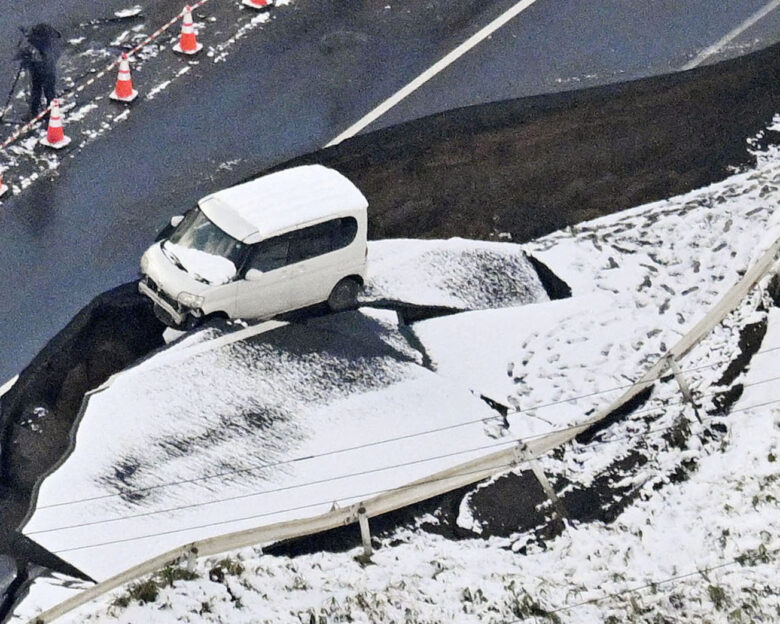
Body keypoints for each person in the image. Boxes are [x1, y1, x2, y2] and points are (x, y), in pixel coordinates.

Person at [13, 23, 63, 121]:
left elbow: (47, 55)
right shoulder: (42, 39)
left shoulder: (43, 41)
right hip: (40, 66)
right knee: (38, 89)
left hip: (46, 66)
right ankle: (36, 112)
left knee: (46, 91)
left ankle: (48, 113)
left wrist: (28, 60)